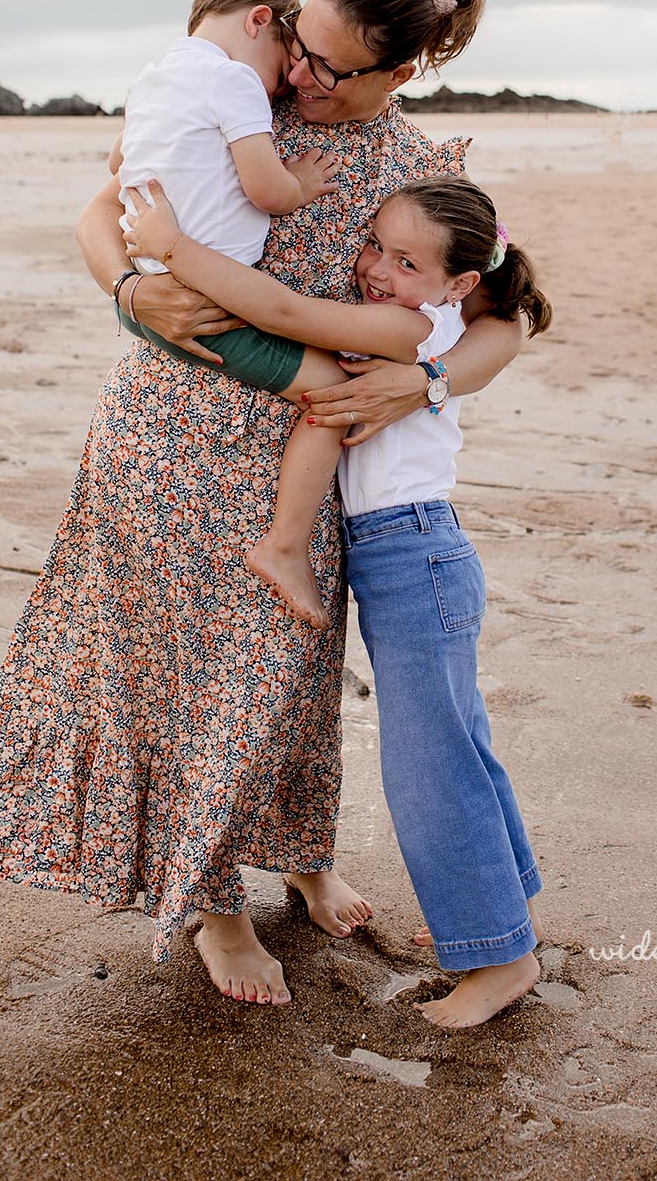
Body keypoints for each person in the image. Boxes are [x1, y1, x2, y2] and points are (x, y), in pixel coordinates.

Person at [0, 0, 523, 1008]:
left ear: (407, 71)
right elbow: (100, 215)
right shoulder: (232, 101)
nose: (301, 77)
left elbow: (505, 320)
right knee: (182, 669)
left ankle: (299, 850)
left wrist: (419, 387)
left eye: (332, 69)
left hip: (303, 447)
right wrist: (130, 287)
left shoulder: (423, 169)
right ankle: (214, 903)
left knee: (285, 670)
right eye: (298, 48)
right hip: (167, 428)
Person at [122, 172, 552, 1028]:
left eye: (403, 259)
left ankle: (502, 960)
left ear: (459, 284)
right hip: (415, 553)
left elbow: (283, 313)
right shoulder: (439, 320)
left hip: (413, 551)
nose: (375, 268)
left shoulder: (410, 327)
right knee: (459, 743)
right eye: (373, 246)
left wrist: (172, 249)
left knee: (430, 764)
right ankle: (506, 917)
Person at [114, 0, 353, 630]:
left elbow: (118, 166)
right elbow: (267, 192)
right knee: (331, 393)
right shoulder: (233, 78)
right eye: (287, 60)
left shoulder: (152, 77)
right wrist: (300, 182)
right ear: (259, 21)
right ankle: (284, 548)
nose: (286, 82)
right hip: (211, 307)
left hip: (152, 290)